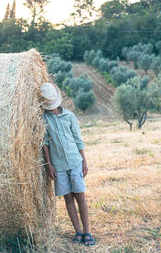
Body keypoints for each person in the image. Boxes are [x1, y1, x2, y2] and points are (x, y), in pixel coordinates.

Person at [40, 82, 95, 246]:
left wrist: (84, 161)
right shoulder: (44, 119)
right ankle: (77, 232)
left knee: (80, 196)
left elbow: (78, 140)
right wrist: (49, 165)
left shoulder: (69, 116)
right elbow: (45, 144)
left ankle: (87, 232)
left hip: (74, 161)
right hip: (58, 166)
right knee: (68, 199)